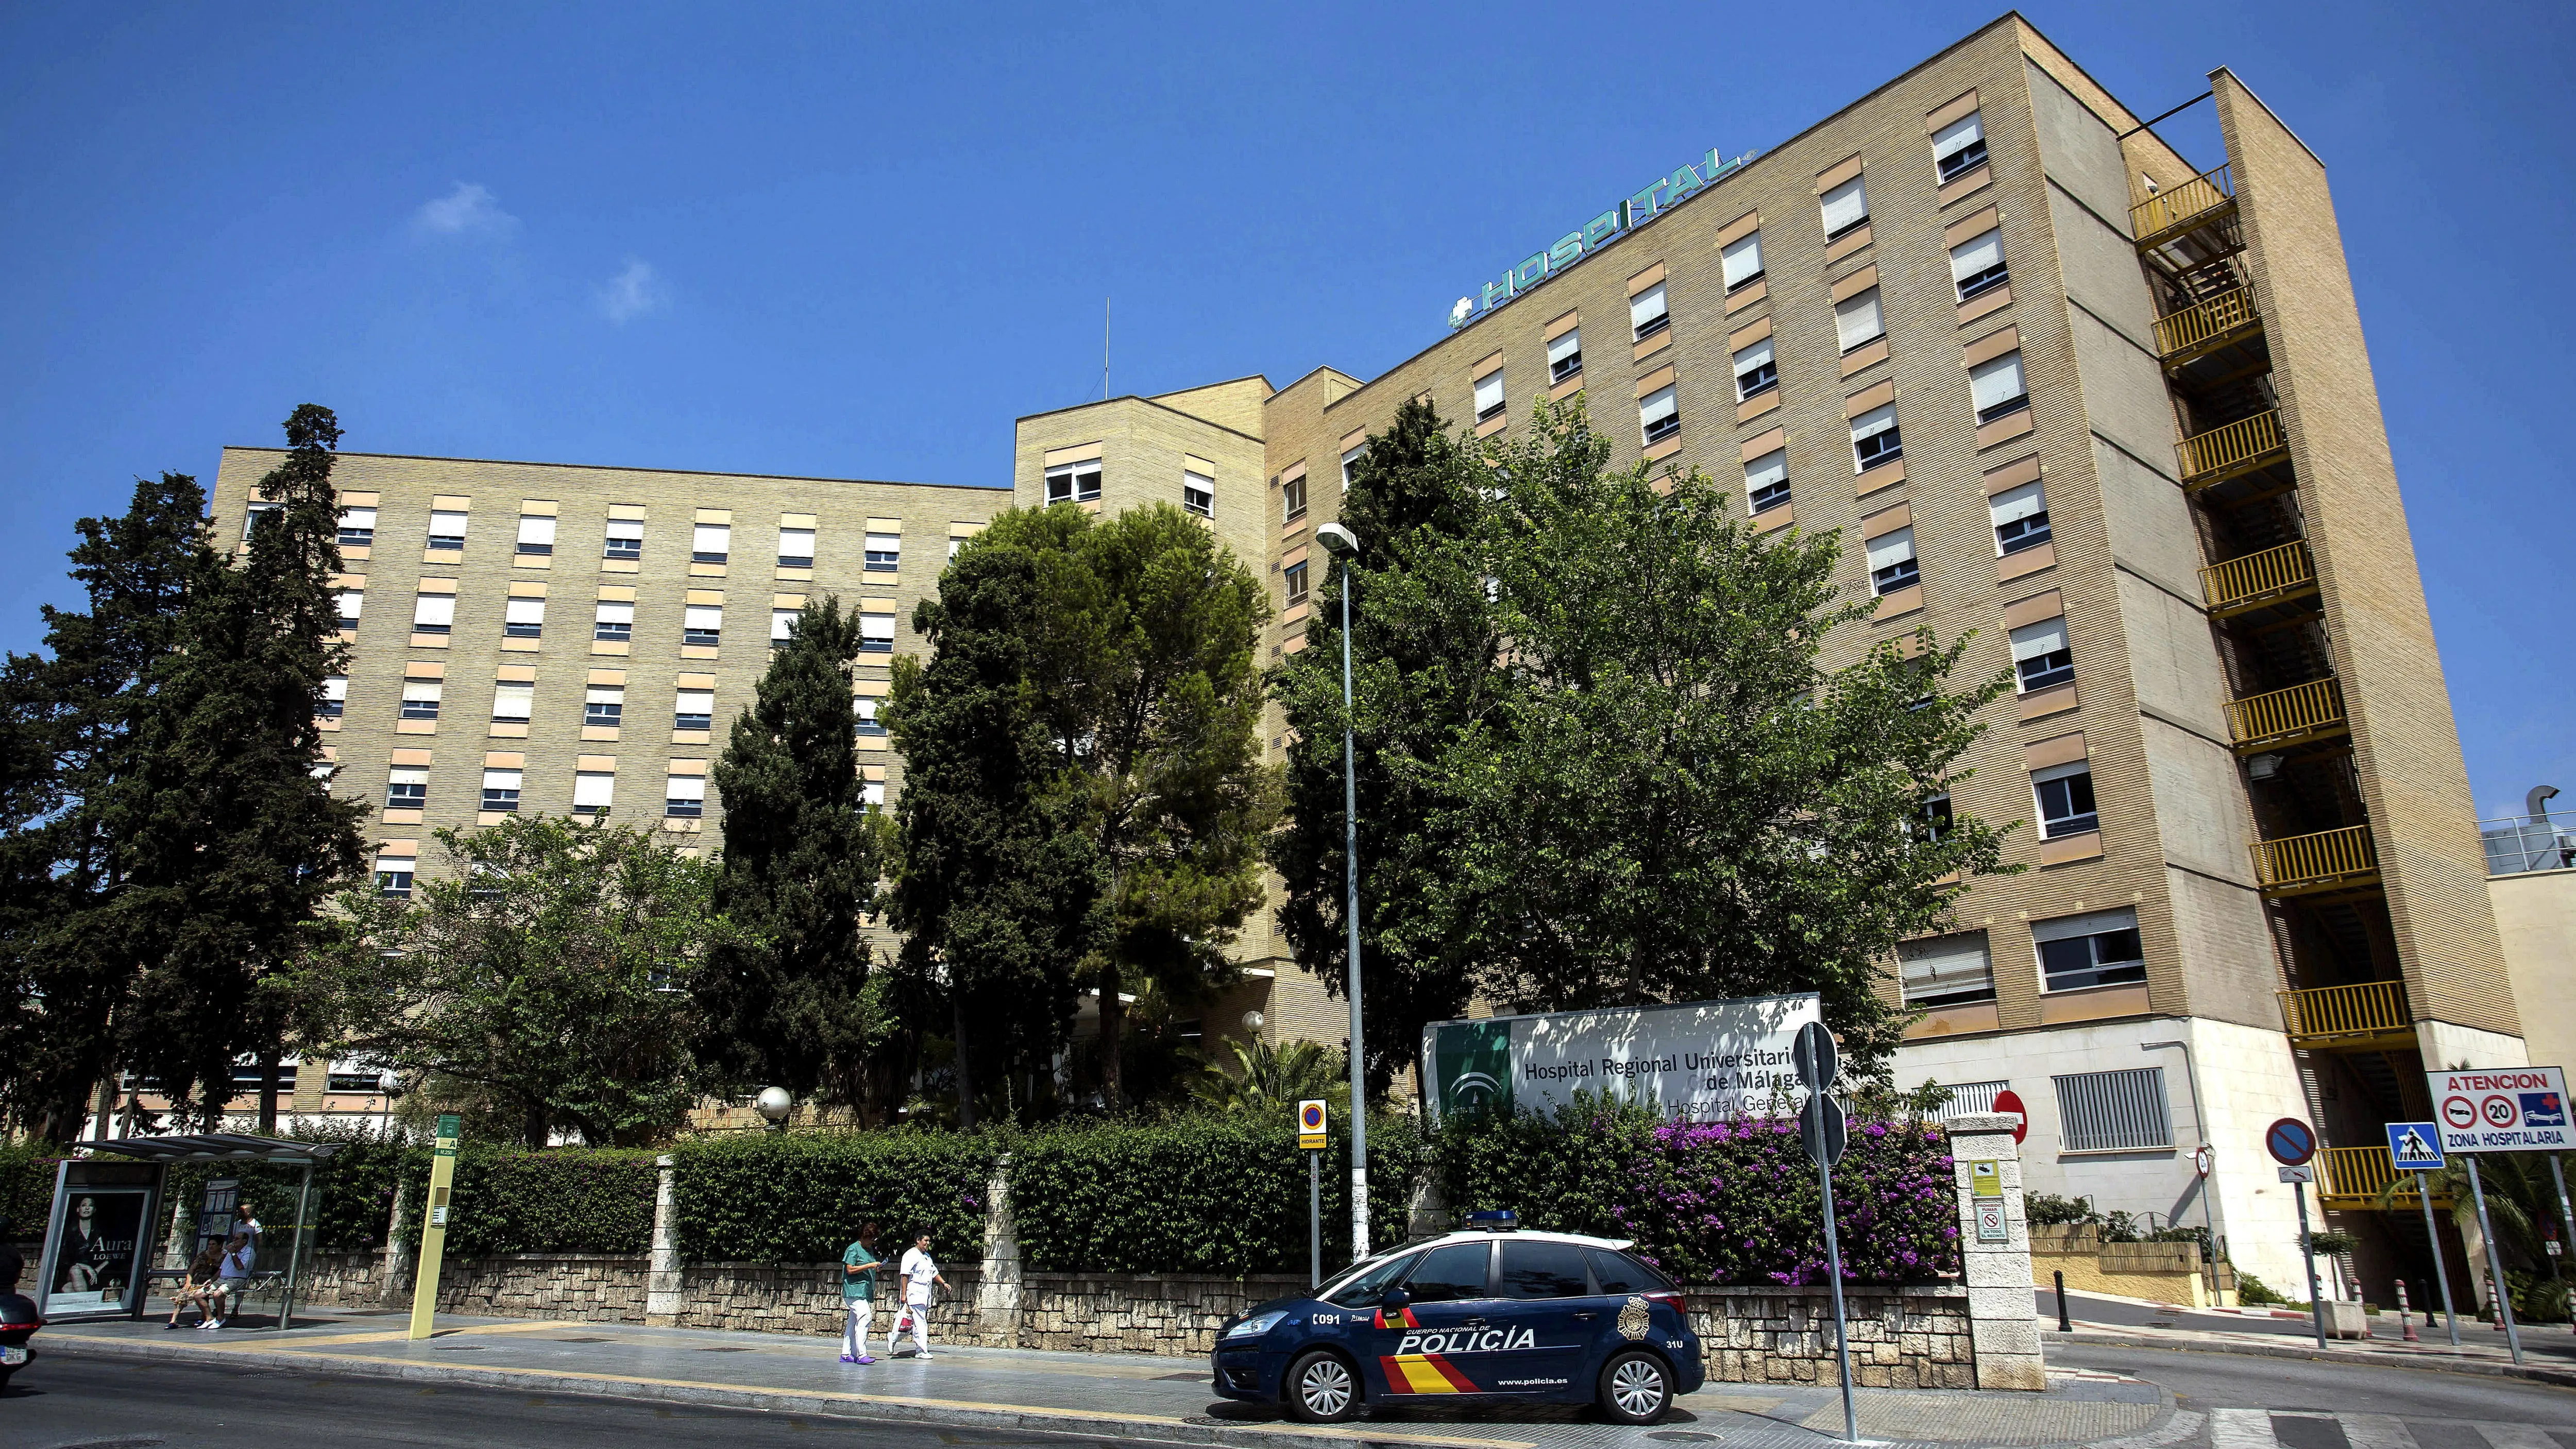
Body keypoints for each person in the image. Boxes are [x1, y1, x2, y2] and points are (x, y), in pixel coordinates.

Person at [889, 1231, 945, 1360]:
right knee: (921, 1322)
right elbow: (905, 1275)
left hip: (924, 1295)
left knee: (910, 1324)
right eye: (926, 1241)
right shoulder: (910, 1255)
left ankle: (893, 1337)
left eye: (929, 1241)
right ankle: (921, 1351)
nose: (928, 1243)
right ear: (918, 1241)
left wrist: (943, 1283)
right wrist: (904, 1295)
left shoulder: (926, 1257)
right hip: (914, 1294)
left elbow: (933, 1272)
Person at [838, 1222, 882, 1365]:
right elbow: (850, 1269)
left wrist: (875, 1267)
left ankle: (846, 1354)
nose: (873, 1242)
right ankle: (862, 1354)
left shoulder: (869, 1250)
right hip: (853, 1291)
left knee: (853, 1322)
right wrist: (869, 1265)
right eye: (872, 1239)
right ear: (864, 1237)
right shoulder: (853, 1249)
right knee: (865, 1317)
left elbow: (868, 1264)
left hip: (863, 1291)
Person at [165, 1241, 226, 1329]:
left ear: (220, 1246)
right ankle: (173, 1321)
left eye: (214, 1244)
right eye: (209, 1244)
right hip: (198, 1279)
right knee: (183, 1295)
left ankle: (203, 1317)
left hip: (212, 1281)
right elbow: (192, 1269)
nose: (211, 1246)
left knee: (202, 1295)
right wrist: (188, 1283)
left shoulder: (223, 1257)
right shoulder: (203, 1255)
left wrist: (213, 1280)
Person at [204, 1230, 254, 1329]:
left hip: (236, 1279)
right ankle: (209, 1318)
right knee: (198, 1294)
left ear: (244, 1241)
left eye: (237, 1239)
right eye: (234, 1239)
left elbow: (240, 1267)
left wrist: (234, 1254)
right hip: (222, 1279)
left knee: (218, 1294)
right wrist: (212, 1280)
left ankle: (220, 1318)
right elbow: (222, 1268)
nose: (234, 1241)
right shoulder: (229, 1253)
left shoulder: (249, 1252)